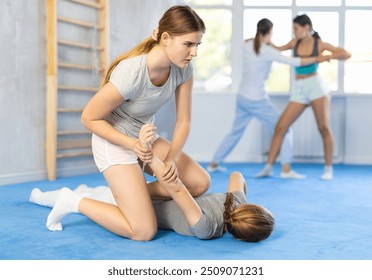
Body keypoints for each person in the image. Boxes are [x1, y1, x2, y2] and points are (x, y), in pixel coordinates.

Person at [74, 5, 210, 241]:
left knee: (199, 183)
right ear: (165, 38)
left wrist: (169, 161)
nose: (194, 52)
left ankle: (127, 196)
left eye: (198, 44)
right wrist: (131, 144)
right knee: (144, 231)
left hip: (144, 139)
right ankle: (77, 201)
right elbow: (89, 117)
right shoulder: (132, 72)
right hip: (114, 139)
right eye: (188, 44)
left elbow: (184, 121)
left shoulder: (183, 70)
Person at [30, 125, 275, 242]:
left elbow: (235, 177)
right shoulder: (208, 228)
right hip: (145, 204)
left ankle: (51, 197)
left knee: (104, 195)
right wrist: (147, 154)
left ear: (252, 207)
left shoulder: (233, 203)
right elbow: (175, 187)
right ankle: (68, 199)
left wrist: (147, 154)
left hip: (148, 201)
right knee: (104, 197)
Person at [207, 18, 330, 179]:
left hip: (242, 97)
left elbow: (252, 43)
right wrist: (316, 58)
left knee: (235, 132)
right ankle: (286, 169)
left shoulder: (247, 45)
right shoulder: (267, 51)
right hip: (257, 100)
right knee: (285, 129)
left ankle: (213, 164)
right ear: (269, 32)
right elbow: (292, 61)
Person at [257, 14, 351, 180]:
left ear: (306, 27)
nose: (294, 32)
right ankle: (268, 167)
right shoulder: (295, 42)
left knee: (324, 128)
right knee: (280, 127)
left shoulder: (319, 44)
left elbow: (346, 54)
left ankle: (328, 169)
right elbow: (277, 49)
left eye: (296, 28)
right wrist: (258, 39)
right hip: (299, 90)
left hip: (316, 88)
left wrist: (328, 56)